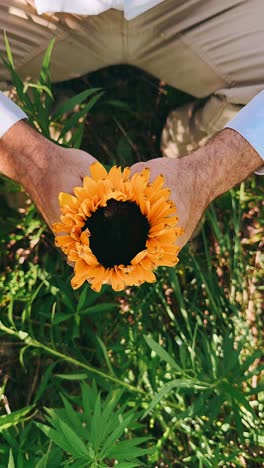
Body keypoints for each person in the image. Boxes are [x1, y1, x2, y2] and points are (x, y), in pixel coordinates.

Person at [0, 0, 263, 253]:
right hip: (35, 9)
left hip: (203, 7)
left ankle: (191, 153)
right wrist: (30, 160)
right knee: (23, 150)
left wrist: (206, 173)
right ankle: (43, 135)